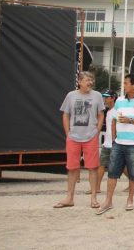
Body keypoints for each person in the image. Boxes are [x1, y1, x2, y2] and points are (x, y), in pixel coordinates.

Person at [97, 74, 134, 215]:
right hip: (118, 143)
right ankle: (108, 201)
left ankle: (130, 199)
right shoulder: (119, 100)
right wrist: (114, 138)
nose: (124, 85)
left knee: (133, 174)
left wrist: (131, 120)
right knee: (112, 173)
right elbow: (114, 120)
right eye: (124, 83)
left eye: (126, 83)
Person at [53, 71, 105, 209]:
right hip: (73, 137)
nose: (90, 83)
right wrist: (68, 133)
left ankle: (93, 198)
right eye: (87, 80)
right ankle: (69, 197)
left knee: (93, 167)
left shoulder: (97, 96)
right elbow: (65, 115)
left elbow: (101, 114)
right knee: (72, 168)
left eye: (91, 80)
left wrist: (97, 131)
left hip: (91, 137)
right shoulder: (71, 95)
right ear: (80, 81)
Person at [93, 89, 118, 195]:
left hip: (114, 143)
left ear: (113, 98)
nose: (105, 99)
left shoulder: (117, 110)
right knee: (101, 165)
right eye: (104, 97)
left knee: (122, 167)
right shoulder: (107, 110)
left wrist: (114, 141)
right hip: (107, 143)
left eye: (107, 97)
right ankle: (97, 188)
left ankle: (133, 182)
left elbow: (116, 127)